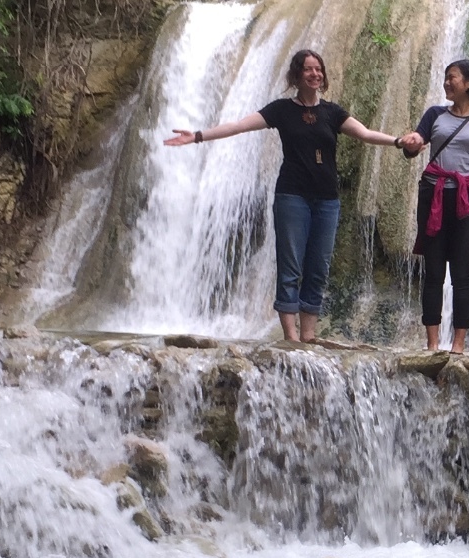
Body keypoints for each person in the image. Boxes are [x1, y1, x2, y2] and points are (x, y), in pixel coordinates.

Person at [165, 47, 408, 343]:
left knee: (318, 267)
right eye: (308, 69)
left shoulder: (332, 113)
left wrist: (398, 142)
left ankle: (308, 336)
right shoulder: (281, 110)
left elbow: (366, 134)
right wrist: (198, 136)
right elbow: (240, 126)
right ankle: (291, 337)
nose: (315, 74)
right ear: (297, 75)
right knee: (291, 264)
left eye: (318, 69)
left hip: (327, 200)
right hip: (292, 196)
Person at [401, 58, 469, 353]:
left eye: (452, 77)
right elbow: (417, 142)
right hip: (433, 195)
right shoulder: (434, 115)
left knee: (461, 274)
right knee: (433, 272)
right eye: (445, 77)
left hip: (467, 201)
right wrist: (412, 142)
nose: (446, 82)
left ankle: (458, 344)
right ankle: (432, 343)